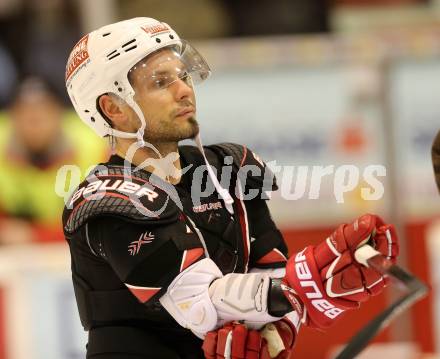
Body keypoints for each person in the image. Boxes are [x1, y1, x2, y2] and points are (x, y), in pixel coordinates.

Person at [63, 17, 400, 359]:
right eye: (161, 82)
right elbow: (201, 304)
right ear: (113, 108)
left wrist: (280, 325)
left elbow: (271, 275)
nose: (184, 89)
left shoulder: (229, 167)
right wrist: (308, 282)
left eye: (182, 75)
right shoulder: (105, 198)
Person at [0, 76, 106, 244]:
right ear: (11, 116)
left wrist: (35, 235)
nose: (34, 124)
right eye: (25, 114)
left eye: (43, 114)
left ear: (60, 115)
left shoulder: (95, 145)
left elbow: (99, 223)